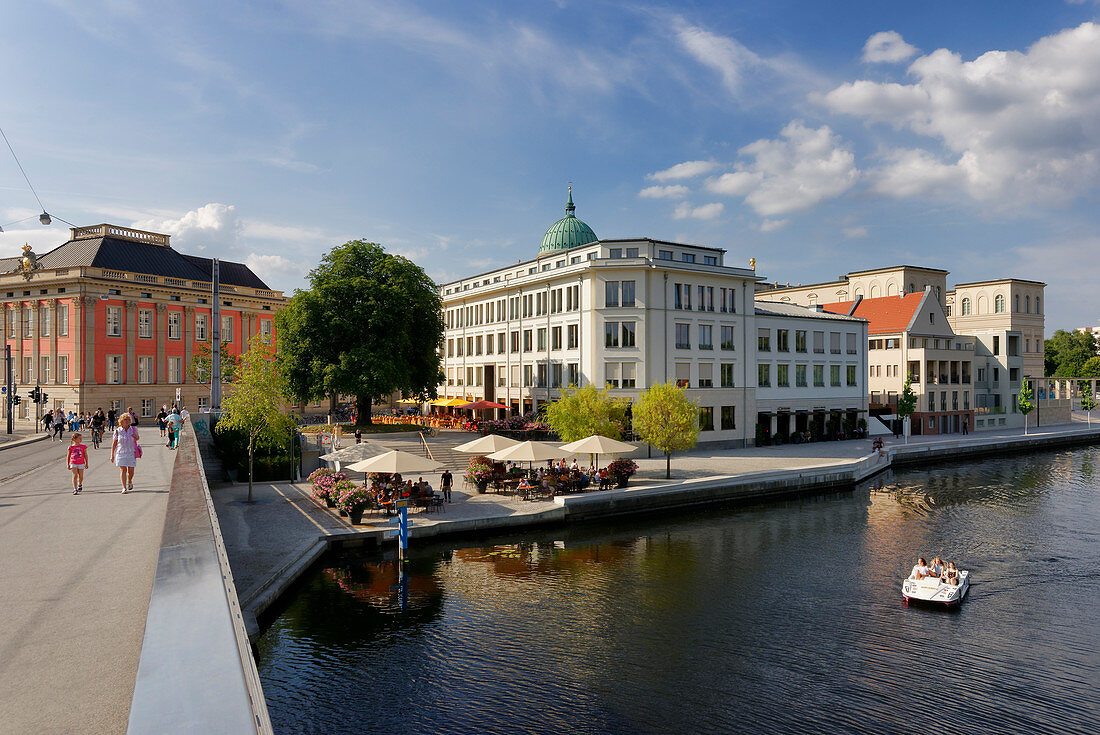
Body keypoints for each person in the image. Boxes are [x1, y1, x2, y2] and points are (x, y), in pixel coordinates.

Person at [111, 413, 140, 493]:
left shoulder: (133, 429)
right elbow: (114, 443)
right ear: (121, 421)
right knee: (123, 470)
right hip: (121, 452)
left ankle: (130, 480)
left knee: (131, 471)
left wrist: (135, 436)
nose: (126, 421)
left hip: (131, 452)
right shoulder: (117, 431)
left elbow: (137, 438)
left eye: (128, 419)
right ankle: (124, 487)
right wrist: (112, 455)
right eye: (125, 420)